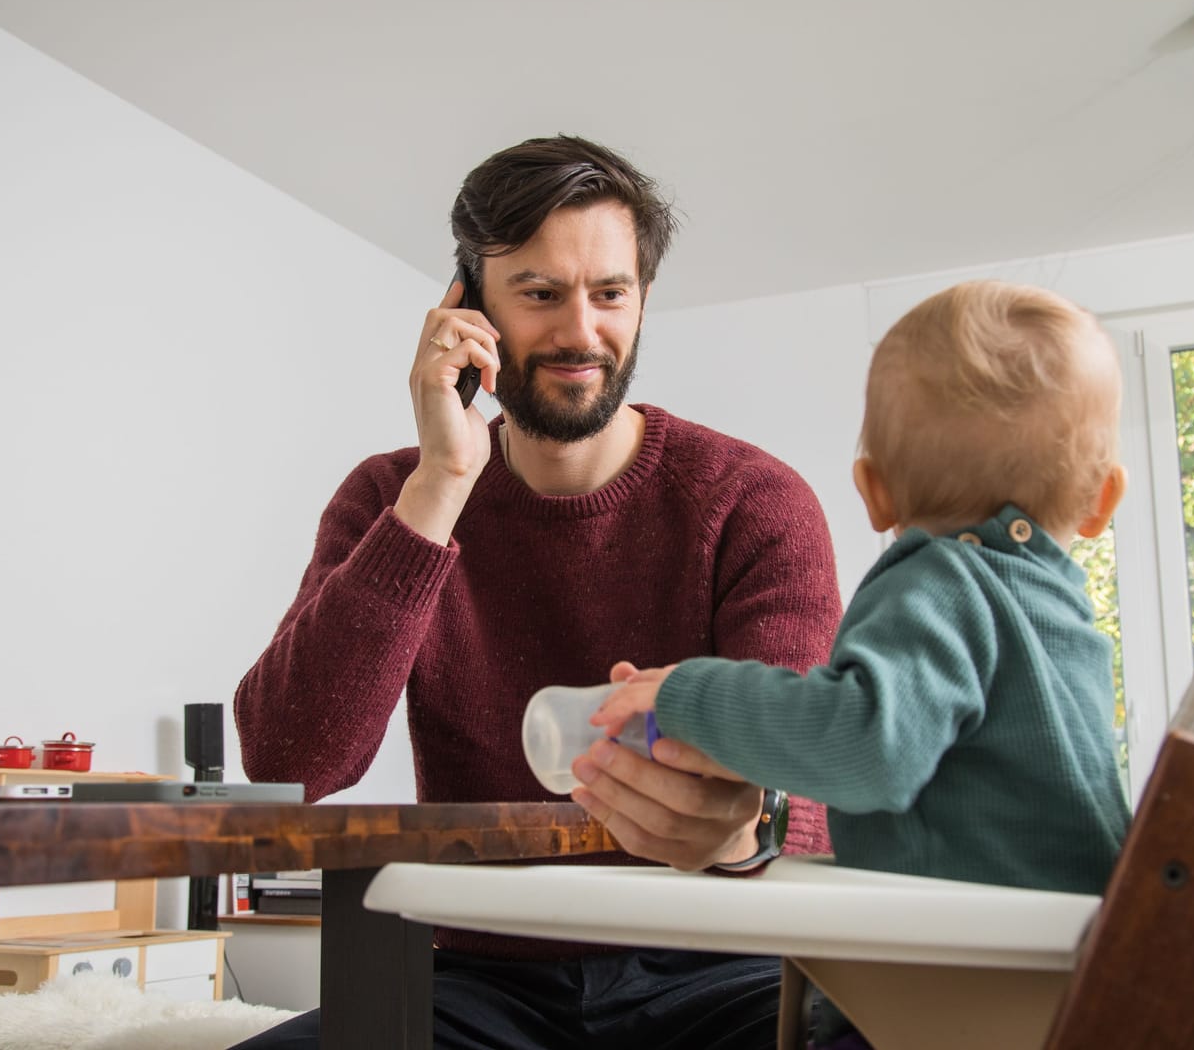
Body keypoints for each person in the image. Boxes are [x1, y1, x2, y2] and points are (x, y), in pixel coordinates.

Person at [230, 135, 843, 1049]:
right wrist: (440, 482)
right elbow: (289, 757)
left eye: (610, 293)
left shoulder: (754, 503)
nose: (581, 333)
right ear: (471, 311)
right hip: (476, 980)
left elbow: (811, 793)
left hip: (719, 965)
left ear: (642, 300)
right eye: (540, 294)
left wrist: (738, 831)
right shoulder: (391, 498)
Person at [595, 278, 1133, 893]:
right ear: (1101, 502)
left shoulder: (944, 584)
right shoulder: (1061, 615)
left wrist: (692, 694)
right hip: (1078, 948)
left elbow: (866, 746)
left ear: (873, 493)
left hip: (973, 968)